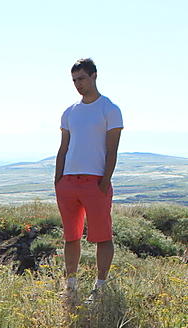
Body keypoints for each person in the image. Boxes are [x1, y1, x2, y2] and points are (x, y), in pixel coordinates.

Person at [54, 58, 123, 304]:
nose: (78, 84)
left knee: (102, 236)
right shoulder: (69, 112)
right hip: (68, 183)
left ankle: (100, 287)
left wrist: (105, 181)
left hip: (95, 182)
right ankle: (70, 286)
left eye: (81, 78)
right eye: (74, 80)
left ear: (94, 76)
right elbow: (63, 149)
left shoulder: (109, 109)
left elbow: (112, 150)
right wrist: (58, 181)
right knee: (70, 237)